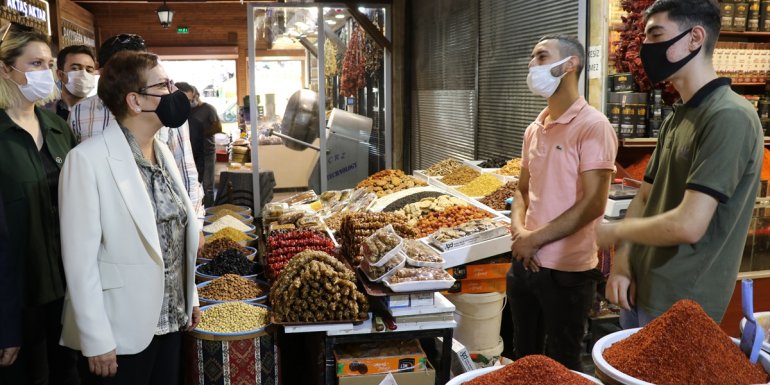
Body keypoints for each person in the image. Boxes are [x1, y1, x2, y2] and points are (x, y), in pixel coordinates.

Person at [598, 0, 763, 327]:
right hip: (638, 290)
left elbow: (690, 223)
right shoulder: (679, 116)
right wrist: (623, 264)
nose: (646, 48)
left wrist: (611, 231)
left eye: (656, 35)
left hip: (681, 304)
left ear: (695, 37)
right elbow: (645, 197)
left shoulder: (729, 117)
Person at [59, 50, 201, 385]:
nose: (173, 92)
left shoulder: (162, 151)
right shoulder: (87, 161)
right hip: (120, 333)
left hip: (170, 322)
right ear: (135, 101)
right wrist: (96, 339)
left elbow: (176, 236)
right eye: (164, 85)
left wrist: (189, 295)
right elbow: (81, 263)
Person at [507, 35, 618, 371]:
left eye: (541, 56)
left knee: (562, 365)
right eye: (532, 57)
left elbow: (593, 204)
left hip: (568, 273)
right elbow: (522, 191)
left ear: (570, 65)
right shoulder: (534, 129)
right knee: (523, 360)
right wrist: (519, 235)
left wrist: (534, 239)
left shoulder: (593, 126)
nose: (532, 65)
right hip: (525, 264)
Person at [0, 23, 80, 384]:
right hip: (18, 295)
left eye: (49, 64)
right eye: (35, 64)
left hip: (67, 291)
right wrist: (5, 323)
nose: (46, 73)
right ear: (6, 69)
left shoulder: (58, 128)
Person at [68, 33, 205, 229]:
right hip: (109, 224)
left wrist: (194, 223)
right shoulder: (80, 114)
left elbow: (185, 168)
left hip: (164, 220)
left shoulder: (165, 115)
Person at [176, 82, 221, 206]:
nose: (191, 101)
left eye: (192, 98)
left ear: (197, 96)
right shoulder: (189, 110)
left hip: (207, 151)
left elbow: (218, 127)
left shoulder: (208, 109)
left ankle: (210, 211)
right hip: (193, 151)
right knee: (194, 182)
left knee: (207, 185)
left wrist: (201, 133)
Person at [49, 44, 96, 120]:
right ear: (60, 75)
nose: (84, 74)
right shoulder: (46, 113)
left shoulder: (102, 113)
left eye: (89, 70)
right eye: (75, 68)